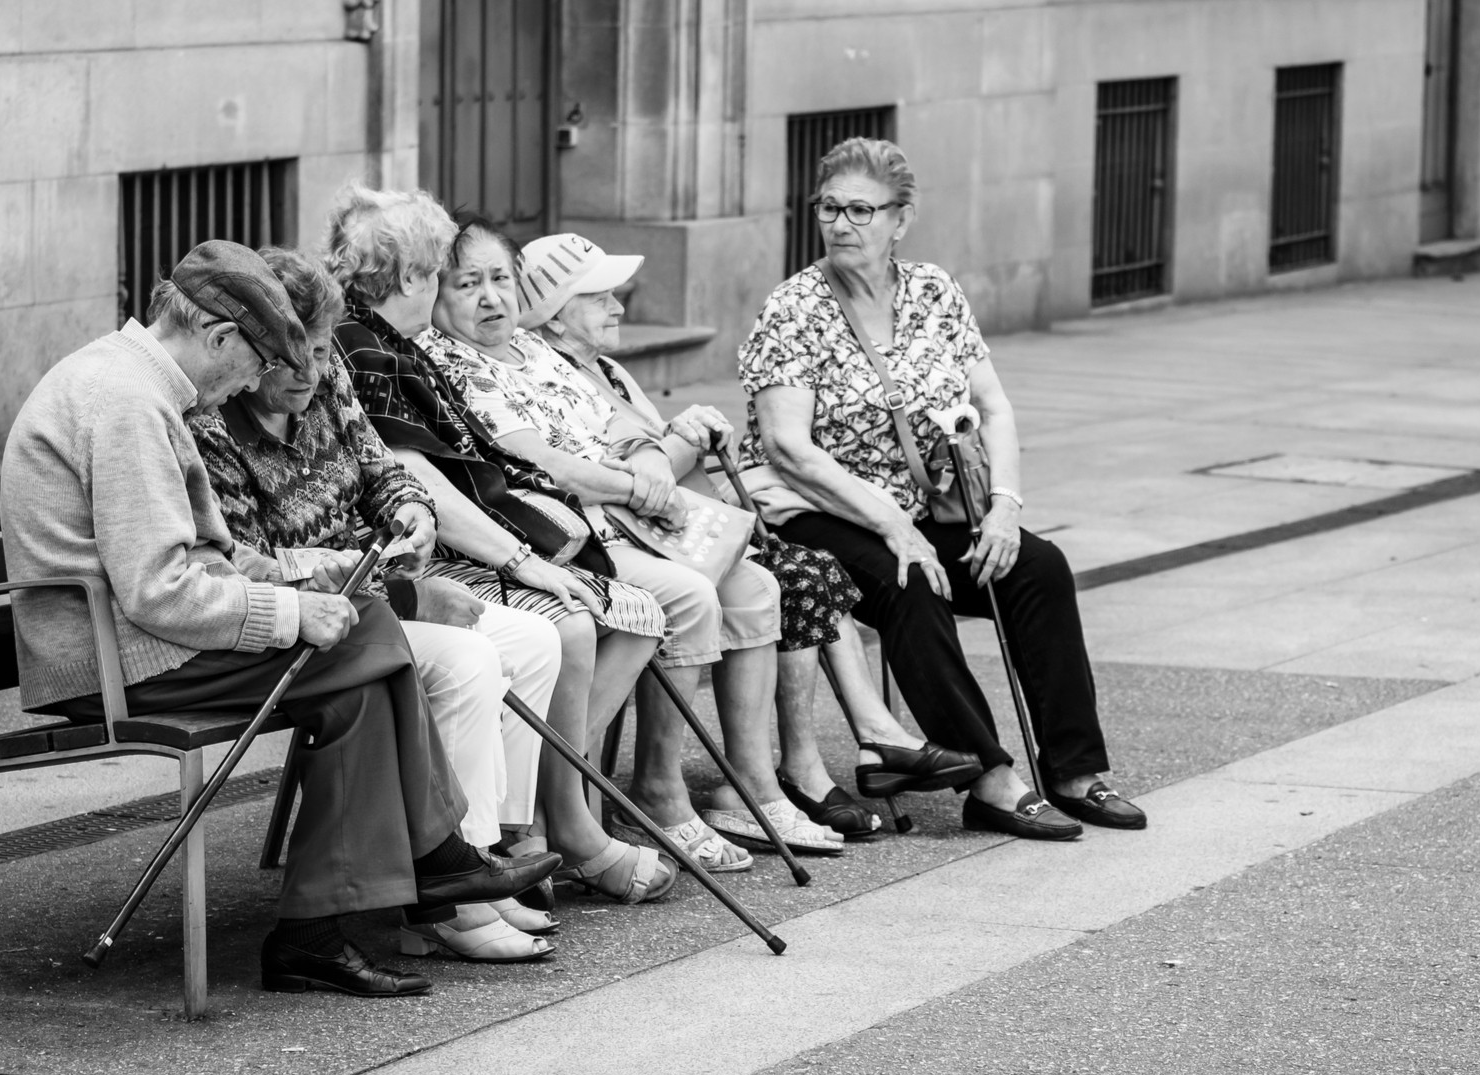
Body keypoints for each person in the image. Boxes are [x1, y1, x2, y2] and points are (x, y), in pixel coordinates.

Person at [0, 240, 559, 999]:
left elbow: (197, 561)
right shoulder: (129, 402)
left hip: (134, 639)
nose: (252, 384)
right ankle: (437, 854)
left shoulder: (138, 383)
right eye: (256, 364)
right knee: (368, 630)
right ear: (220, 336)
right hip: (115, 656)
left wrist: (291, 585)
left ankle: (314, 937)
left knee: (355, 683)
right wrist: (291, 607)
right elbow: (159, 591)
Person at [739, 137, 1147, 840]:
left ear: (902, 218)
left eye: (861, 210)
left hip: (928, 504)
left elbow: (993, 407)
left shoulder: (933, 290)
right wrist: (893, 526)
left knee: (1038, 569)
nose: (841, 223)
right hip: (818, 510)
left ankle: (1076, 771)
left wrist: (1005, 510)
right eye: (830, 208)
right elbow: (788, 447)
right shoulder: (794, 307)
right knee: (911, 581)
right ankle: (991, 779)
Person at [517, 231, 979, 840]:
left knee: (809, 572)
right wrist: (683, 436)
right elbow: (636, 474)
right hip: (638, 541)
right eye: (600, 296)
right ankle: (815, 762)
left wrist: (685, 442)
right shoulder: (550, 374)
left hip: (673, 533)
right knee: (801, 575)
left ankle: (814, 761)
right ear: (553, 318)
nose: (619, 306)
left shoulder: (607, 369)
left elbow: (661, 467)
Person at [419, 214, 837, 866]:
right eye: (468, 284)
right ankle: (639, 793)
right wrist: (635, 482)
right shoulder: (450, 362)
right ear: (435, 294)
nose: (491, 298)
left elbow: (624, 424)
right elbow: (540, 465)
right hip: (564, 534)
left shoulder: (532, 350)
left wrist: (644, 459)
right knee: (690, 596)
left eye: (500, 279)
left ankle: (745, 782)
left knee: (756, 584)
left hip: (623, 522)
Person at [188, 246, 565, 963]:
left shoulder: (328, 377)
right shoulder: (213, 422)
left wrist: (414, 512)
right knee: (465, 661)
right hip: (315, 612)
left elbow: (383, 471)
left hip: (367, 592)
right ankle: (449, 892)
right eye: (288, 358)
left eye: (322, 351)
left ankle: (489, 849)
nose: (309, 374)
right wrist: (401, 591)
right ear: (251, 348)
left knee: (533, 640)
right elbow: (250, 569)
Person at [323, 183, 675, 904]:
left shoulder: (393, 343)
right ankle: (540, 832)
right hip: (424, 564)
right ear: (420, 278)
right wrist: (525, 561)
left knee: (629, 612)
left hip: (478, 545)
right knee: (568, 625)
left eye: (495, 279)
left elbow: (483, 464)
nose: (484, 295)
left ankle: (533, 828)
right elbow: (421, 485)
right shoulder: (370, 348)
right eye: (456, 275)